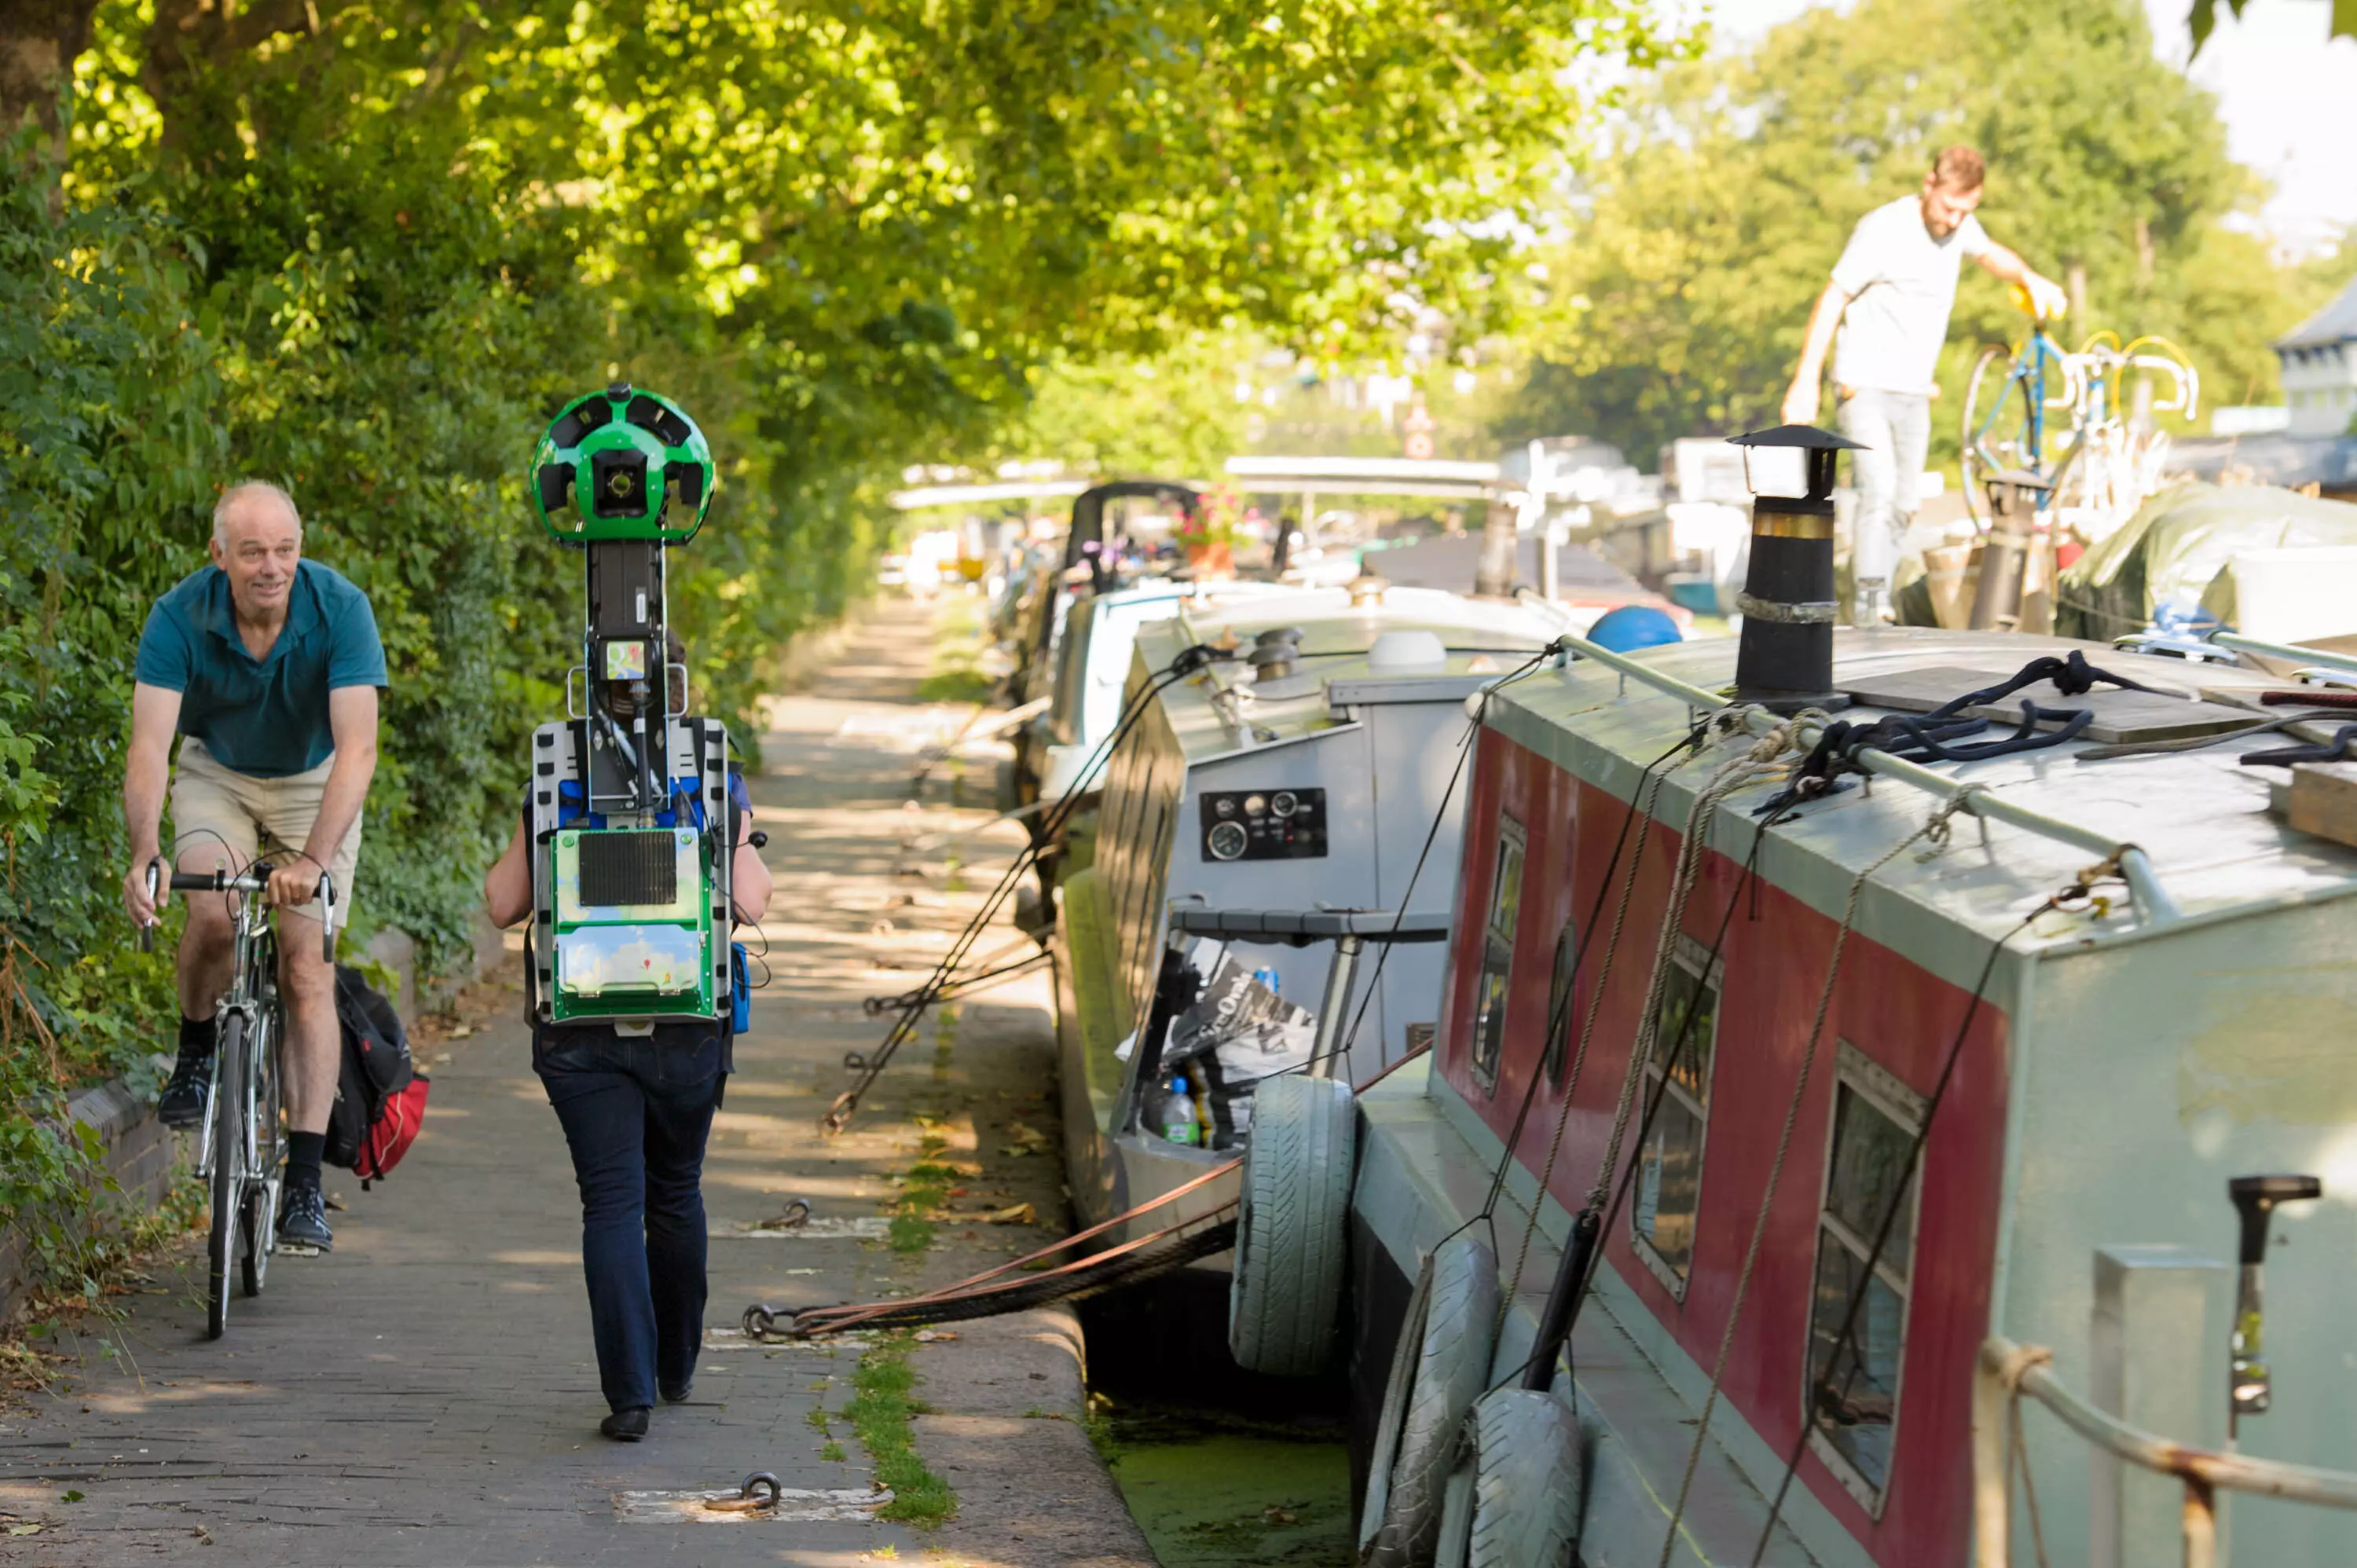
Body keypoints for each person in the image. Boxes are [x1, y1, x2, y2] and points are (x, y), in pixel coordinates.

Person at [481, 643, 772, 1443]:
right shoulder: (710, 772)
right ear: (681, 688)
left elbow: (505, 903)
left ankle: (630, 1397)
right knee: (675, 1189)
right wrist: (740, 842)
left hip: (580, 1028)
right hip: (684, 1024)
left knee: (611, 1199)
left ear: (590, 688)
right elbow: (749, 903)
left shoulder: (555, 770)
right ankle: (679, 1360)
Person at [122, 480, 386, 1254]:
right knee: (211, 907)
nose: (272, 567)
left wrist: (311, 860)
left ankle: (304, 1176)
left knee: (306, 965)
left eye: (285, 549)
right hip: (221, 776)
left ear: (299, 548)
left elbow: (359, 749)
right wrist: (146, 852)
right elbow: (149, 749)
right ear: (219, 556)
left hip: (315, 783)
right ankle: (197, 1050)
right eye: (252, 552)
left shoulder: (341, 609)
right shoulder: (179, 615)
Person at [1780, 145, 2069, 619]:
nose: (1954, 221)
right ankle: (1871, 610)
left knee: (1907, 504)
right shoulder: (1883, 229)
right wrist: (1805, 380)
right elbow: (1833, 296)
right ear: (1929, 184)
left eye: (1966, 211)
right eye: (1949, 208)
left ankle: (1873, 603)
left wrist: (2031, 277)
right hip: (1864, 384)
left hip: (1915, 392)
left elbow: (1991, 254)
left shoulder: (1960, 229)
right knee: (1881, 491)